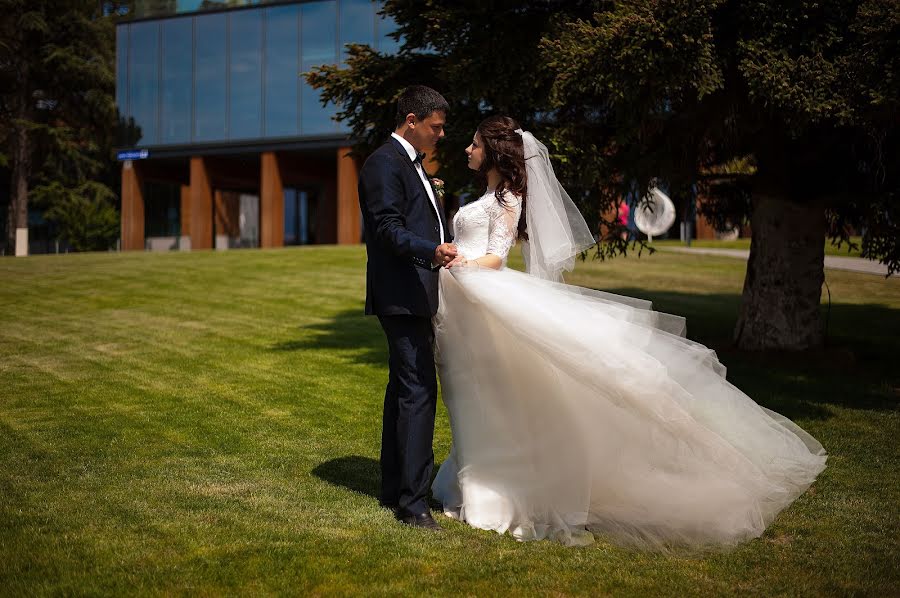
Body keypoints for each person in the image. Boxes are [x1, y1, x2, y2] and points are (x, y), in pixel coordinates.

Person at [431, 116, 827, 549]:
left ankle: (500, 492)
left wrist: (459, 264)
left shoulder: (507, 200)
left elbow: (496, 257)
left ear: (493, 151)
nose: (467, 150)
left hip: (481, 290)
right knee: (473, 393)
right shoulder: (487, 195)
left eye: (473, 145)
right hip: (465, 299)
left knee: (493, 394)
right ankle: (477, 480)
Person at [357, 86, 456, 531]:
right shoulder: (383, 163)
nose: (440, 135)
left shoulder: (413, 166)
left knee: (404, 388)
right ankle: (413, 505)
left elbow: (419, 219)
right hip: (401, 293)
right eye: (435, 127)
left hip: (416, 290)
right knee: (419, 391)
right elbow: (387, 230)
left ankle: (394, 486)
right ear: (411, 120)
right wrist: (430, 252)